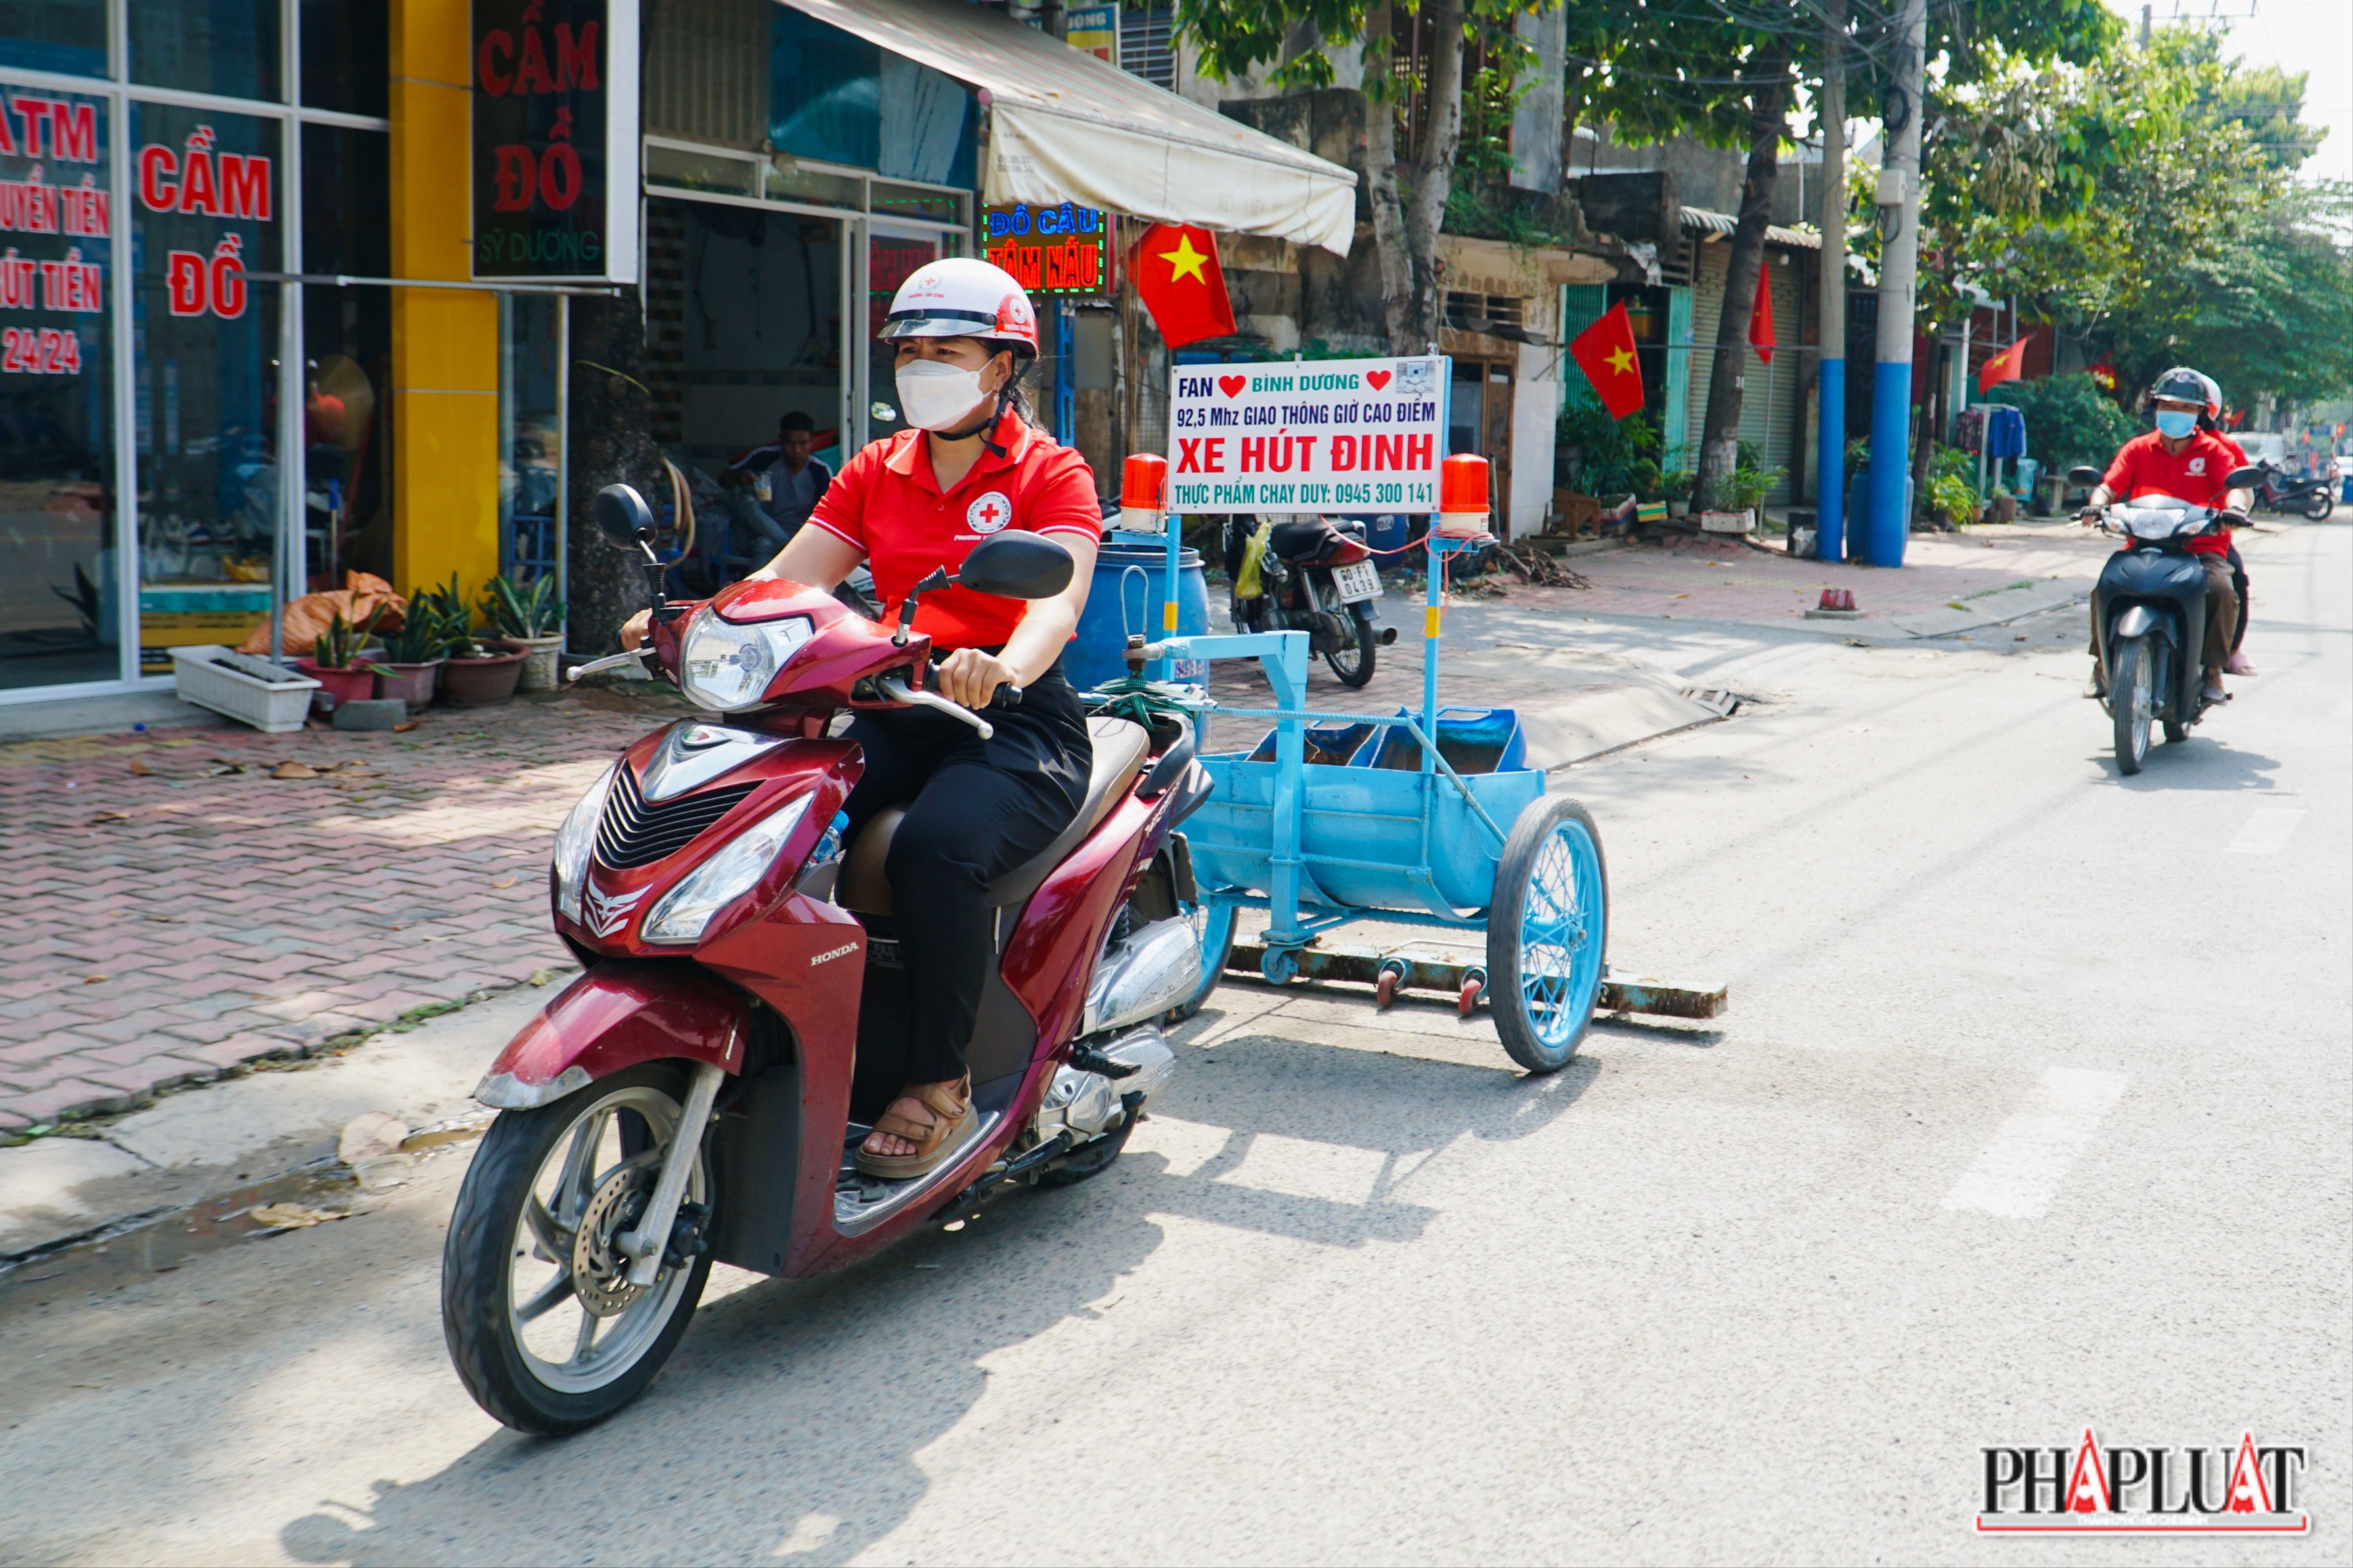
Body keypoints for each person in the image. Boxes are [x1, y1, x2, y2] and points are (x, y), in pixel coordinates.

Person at [624, 257, 1100, 1180]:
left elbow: (1057, 602)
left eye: (947, 352)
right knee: (768, 811)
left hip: (1012, 718)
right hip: (892, 699)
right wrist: (690, 622)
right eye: (909, 351)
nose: (922, 368)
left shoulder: (1051, 472)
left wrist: (1002, 664)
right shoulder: (877, 468)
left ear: (1002, 366)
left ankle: (938, 1079)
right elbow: (784, 580)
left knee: (934, 849)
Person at [2078, 366, 2251, 704]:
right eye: (2170, 405)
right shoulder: (2138, 449)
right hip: (2143, 545)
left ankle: (2213, 669)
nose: (2177, 413)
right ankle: (2101, 665)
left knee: (2221, 591)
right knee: (2106, 586)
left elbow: (2234, 488)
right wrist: (2095, 506)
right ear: (2156, 406)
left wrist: (2235, 509)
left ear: (2201, 413)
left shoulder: (2214, 451)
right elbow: (2109, 486)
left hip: (2201, 549)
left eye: (2186, 408)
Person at [717, 411, 832, 566]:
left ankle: (785, 546)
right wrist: (740, 479)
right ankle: (786, 545)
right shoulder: (765, 458)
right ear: (781, 441)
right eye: (791, 443)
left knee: (764, 545)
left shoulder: (820, 471)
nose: (797, 450)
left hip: (800, 537)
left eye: (803, 444)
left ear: (812, 442)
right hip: (763, 530)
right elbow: (724, 479)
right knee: (746, 501)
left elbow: (828, 514)